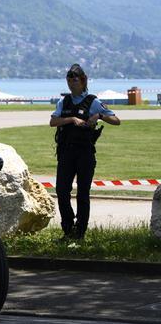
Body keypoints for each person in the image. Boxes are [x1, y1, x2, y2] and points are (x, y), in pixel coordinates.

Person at [50, 63, 120, 240]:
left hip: (85, 153)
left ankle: (80, 232)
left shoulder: (93, 101)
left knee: (83, 193)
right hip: (66, 152)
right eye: (69, 80)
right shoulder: (63, 102)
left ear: (82, 81)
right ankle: (68, 229)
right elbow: (53, 121)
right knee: (62, 191)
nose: (71, 83)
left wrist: (99, 116)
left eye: (74, 79)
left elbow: (116, 120)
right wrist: (72, 119)